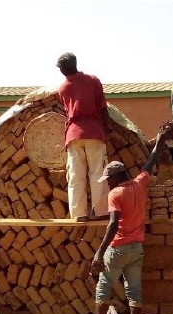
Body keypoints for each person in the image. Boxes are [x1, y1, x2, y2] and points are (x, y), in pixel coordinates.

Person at [87, 134, 164, 314]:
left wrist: (99, 253)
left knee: (103, 288)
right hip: (136, 248)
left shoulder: (116, 194)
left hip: (118, 248)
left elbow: (113, 224)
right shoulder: (139, 185)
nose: (108, 183)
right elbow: (151, 161)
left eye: (109, 179)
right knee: (134, 292)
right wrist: (161, 141)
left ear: (116, 177)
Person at [56, 52, 110, 222]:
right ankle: (101, 211)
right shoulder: (93, 81)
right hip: (94, 132)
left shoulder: (63, 88)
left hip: (73, 135)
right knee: (98, 173)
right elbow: (103, 108)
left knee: (75, 176)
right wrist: (106, 129)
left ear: (64, 69)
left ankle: (79, 214)